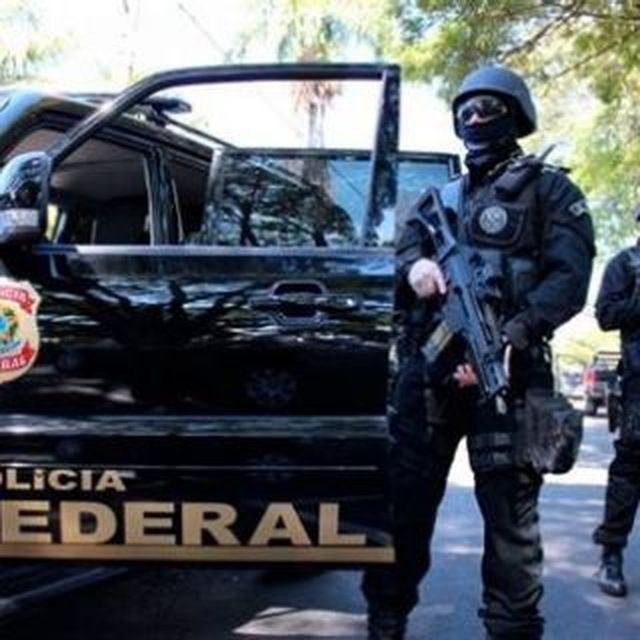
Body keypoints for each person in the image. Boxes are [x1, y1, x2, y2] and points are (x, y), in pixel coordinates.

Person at [362, 66, 595, 640]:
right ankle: (386, 619)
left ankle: (512, 629)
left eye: (487, 107)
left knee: (512, 523)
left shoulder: (553, 191)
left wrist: (511, 335)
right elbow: (395, 261)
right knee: (403, 508)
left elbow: (569, 281)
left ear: (516, 115)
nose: (475, 118)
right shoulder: (434, 201)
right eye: (465, 109)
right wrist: (415, 268)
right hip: (429, 377)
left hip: (509, 375)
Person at [593, 204, 640, 598]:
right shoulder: (625, 264)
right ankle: (611, 554)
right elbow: (605, 314)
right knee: (629, 472)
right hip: (639, 384)